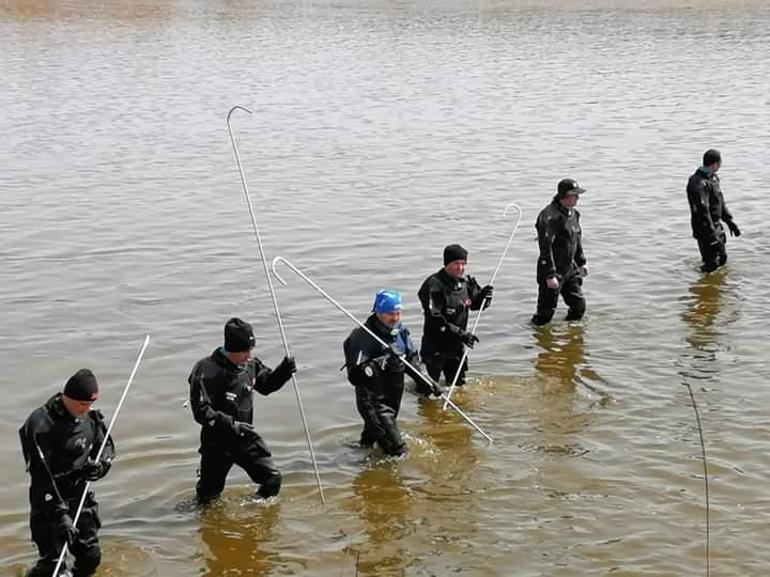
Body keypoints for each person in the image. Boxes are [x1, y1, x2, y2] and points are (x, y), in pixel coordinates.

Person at [188, 317, 297, 504]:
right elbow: (201, 411)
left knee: (272, 480)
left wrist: (284, 372)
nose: (248, 356)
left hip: (244, 439)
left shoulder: (250, 366)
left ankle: (251, 514)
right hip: (217, 443)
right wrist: (232, 426)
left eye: (250, 350)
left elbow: (267, 385)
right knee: (208, 498)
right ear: (231, 348)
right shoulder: (206, 370)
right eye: (244, 351)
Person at [19, 369, 115, 577]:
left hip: (80, 497)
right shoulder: (40, 424)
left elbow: (106, 447)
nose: (86, 409)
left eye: (89, 404)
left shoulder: (90, 419)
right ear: (67, 397)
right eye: (82, 404)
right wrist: (61, 515)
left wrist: (100, 467)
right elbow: (41, 476)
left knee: (90, 556)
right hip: (49, 500)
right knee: (53, 566)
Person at [343, 289, 439, 457]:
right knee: (398, 451)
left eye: (398, 313)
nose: (395, 318)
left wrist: (428, 382)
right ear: (378, 312)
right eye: (390, 314)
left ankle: (362, 465)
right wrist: (382, 361)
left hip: (393, 398)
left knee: (371, 440)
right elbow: (355, 376)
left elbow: (412, 361)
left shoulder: (400, 332)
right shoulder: (361, 337)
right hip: (373, 403)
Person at [417, 244, 493, 390]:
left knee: (458, 388)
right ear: (447, 264)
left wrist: (485, 297)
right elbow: (435, 320)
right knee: (428, 391)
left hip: (456, 347)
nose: (460, 268)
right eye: (456, 264)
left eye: (463, 264)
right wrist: (461, 334)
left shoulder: (465, 284)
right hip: (435, 347)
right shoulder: (434, 286)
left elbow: (476, 305)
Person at [531, 178, 588, 326]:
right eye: (574, 195)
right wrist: (549, 275)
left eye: (578, 195)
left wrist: (581, 262)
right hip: (553, 270)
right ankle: (535, 336)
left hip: (570, 268)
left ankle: (570, 340)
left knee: (579, 306)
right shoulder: (549, 216)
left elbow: (577, 240)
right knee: (545, 315)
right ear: (563, 196)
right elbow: (545, 247)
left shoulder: (574, 215)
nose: (577, 198)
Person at [686, 148, 741, 273]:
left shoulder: (713, 178)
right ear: (714, 164)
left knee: (722, 260)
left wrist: (730, 222)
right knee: (711, 265)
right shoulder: (698, 183)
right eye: (720, 163)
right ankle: (698, 284)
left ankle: (714, 289)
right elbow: (702, 211)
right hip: (705, 229)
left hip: (716, 226)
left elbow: (720, 202)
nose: (721, 165)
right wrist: (711, 237)